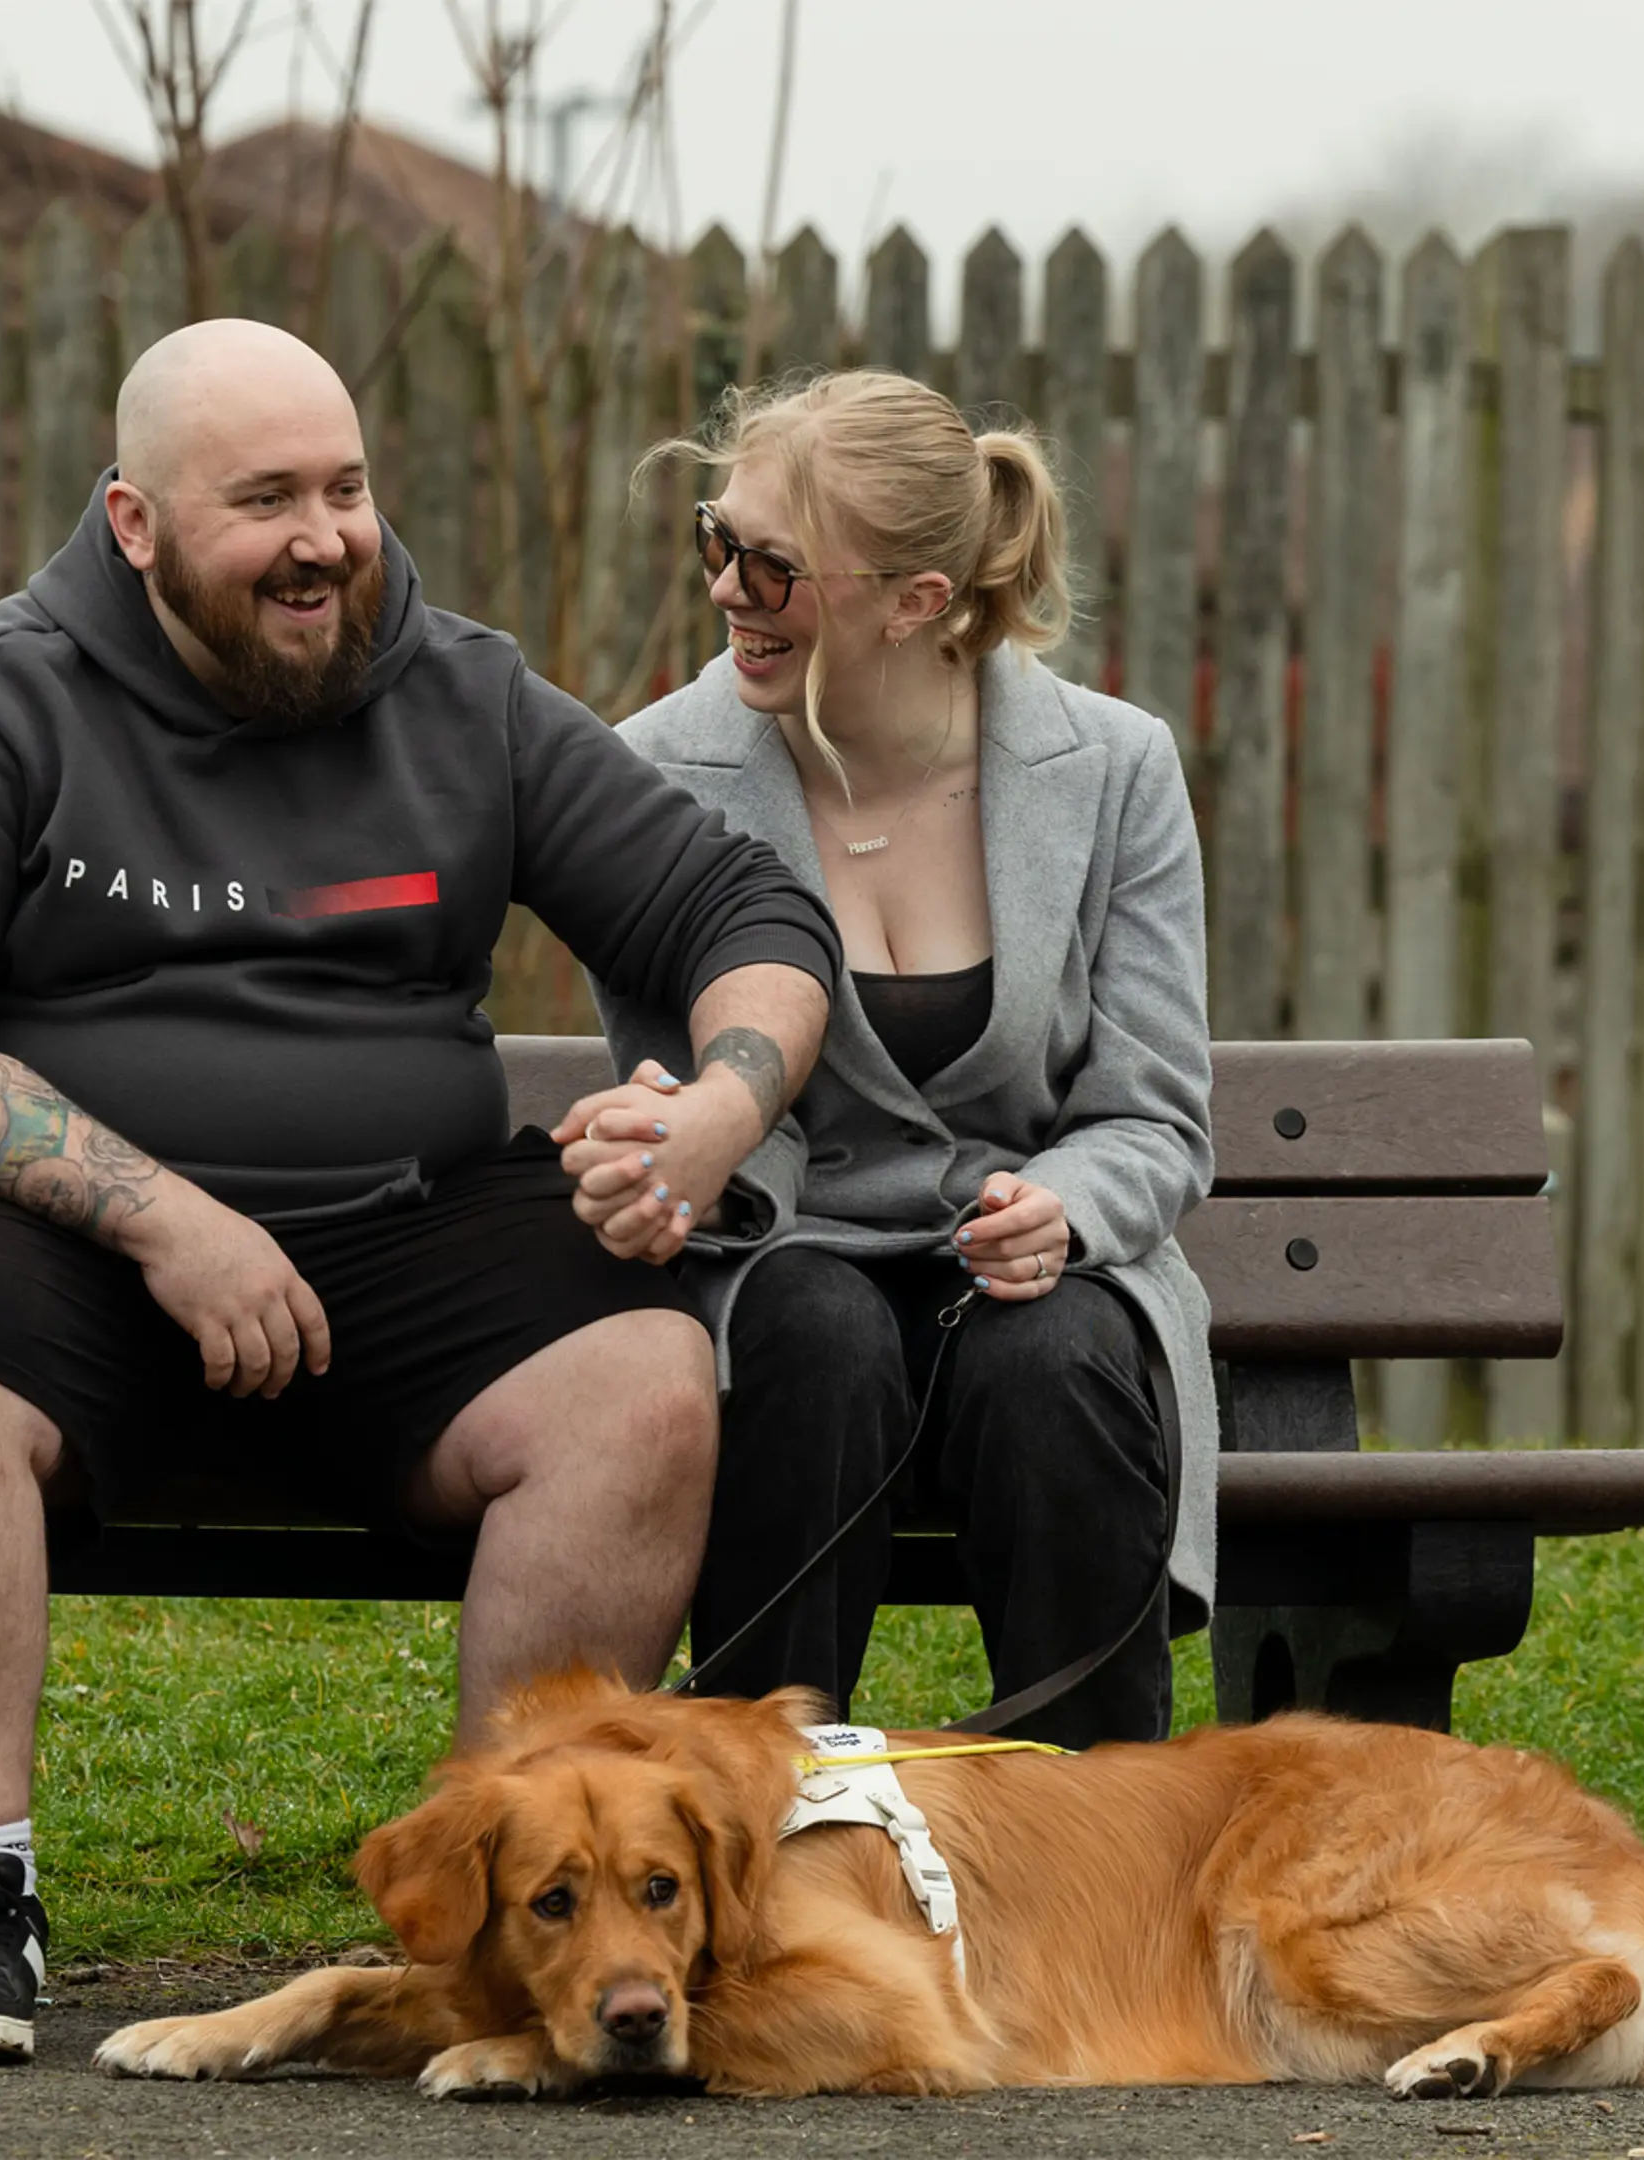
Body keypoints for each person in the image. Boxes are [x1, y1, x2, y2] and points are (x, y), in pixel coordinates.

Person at [0, 319, 838, 2067]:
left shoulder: (463, 691)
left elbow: (745, 917)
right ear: (134, 523)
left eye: (344, 488)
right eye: (262, 499)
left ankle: (518, 1905)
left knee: (644, 1383)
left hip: (404, 1232)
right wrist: (164, 1217)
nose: (324, 537)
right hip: (63, 1254)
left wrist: (725, 1103)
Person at [595, 368, 1216, 1751]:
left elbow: (1154, 1113)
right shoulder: (655, 775)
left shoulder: (1113, 771)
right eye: (718, 540)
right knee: (811, 1331)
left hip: (1034, 1273)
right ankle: (760, 1807)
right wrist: (677, 1148)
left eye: (776, 567)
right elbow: (700, 1102)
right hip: (788, 1255)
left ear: (917, 601)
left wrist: (1071, 1206)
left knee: (1053, 1355)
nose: (729, 591)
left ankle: (1102, 1831)